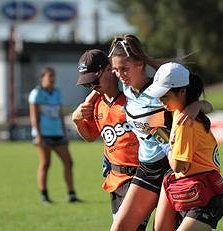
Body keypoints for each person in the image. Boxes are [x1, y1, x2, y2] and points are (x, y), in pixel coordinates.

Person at [108, 34, 213, 231]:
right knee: (119, 228)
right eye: (116, 69)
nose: (120, 74)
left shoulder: (161, 92)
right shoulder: (127, 88)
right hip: (146, 169)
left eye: (124, 68)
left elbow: (208, 106)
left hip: (171, 168)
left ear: (140, 64)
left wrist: (196, 105)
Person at [71, 49, 149, 230]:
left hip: (140, 177)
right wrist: (76, 120)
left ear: (109, 70)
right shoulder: (96, 104)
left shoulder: (132, 97)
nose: (92, 86)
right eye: (87, 84)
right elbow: (90, 136)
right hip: (115, 179)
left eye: (94, 80)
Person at [145, 62, 223, 231]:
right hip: (190, 190)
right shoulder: (179, 110)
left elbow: (179, 166)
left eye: (164, 96)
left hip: (205, 195)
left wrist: (165, 144)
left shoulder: (185, 121)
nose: (161, 101)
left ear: (182, 91)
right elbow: (208, 106)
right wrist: (198, 105)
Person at [28, 67, 80, 204]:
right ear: (42, 78)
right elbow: (34, 117)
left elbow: (60, 115)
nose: (52, 78)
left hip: (57, 133)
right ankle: (44, 195)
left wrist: (65, 133)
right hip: (43, 134)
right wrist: (38, 135)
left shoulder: (57, 92)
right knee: (46, 163)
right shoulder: (36, 93)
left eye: (53, 76)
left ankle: (72, 194)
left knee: (69, 162)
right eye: (49, 76)